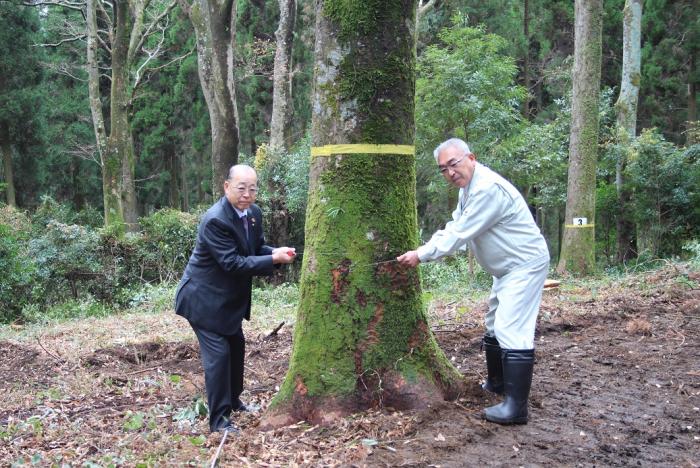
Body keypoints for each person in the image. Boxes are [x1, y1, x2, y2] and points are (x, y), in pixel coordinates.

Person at [397, 138, 550, 425]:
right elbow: (455, 225)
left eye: (453, 164)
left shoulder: (487, 189)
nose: (450, 172)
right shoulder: (468, 190)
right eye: (443, 169)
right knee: (493, 325)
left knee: (510, 328)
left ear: (471, 158)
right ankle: (497, 384)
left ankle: (516, 408)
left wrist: (421, 254)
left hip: (524, 265)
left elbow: (459, 235)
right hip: (505, 269)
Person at [175, 164, 296, 433]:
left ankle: (233, 401)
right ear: (226, 186)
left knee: (236, 347)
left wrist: (277, 252)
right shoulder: (216, 219)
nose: (247, 194)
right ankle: (218, 420)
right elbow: (232, 263)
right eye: (241, 188)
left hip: (226, 302)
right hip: (203, 300)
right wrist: (271, 259)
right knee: (218, 357)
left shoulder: (253, 214)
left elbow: (255, 249)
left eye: (252, 189)